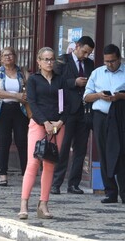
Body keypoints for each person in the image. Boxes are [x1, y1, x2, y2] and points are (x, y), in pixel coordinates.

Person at [19, 47, 66, 220]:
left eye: (51, 59)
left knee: (49, 164)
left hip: (57, 126)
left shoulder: (60, 80)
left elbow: (65, 103)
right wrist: (44, 122)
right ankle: (24, 203)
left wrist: (60, 121)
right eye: (45, 59)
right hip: (39, 124)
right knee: (33, 163)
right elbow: (32, 103)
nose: (49, 62)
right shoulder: (33, 80)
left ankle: (43, 204)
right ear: (38, 61)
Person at [50, 36, 95, 195]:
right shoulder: (63, 60)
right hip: (67, 110)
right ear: (77, 46)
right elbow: (55, 82)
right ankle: (56, 183)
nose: (85, 56)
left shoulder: (90, 64)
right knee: (63, 148)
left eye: (89, 53)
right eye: (84, 52)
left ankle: (73, 184)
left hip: (84, 111)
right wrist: (73, 82)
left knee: (80, 149)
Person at [84, 44, 125, 204]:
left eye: (113, 61)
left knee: (121, 153)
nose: (109, 64)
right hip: (101, 116)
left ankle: (124, 191)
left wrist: (120, 97)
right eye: (106, 61)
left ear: (119, 58)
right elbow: (86, 96)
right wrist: (99, 95)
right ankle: (110, 191)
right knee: (103, 152)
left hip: (120, 116)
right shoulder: (97, 73)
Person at [0, 47, 29, 186]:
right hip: (3, 109)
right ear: (1, 58)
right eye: (5, 55)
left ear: (15, 57)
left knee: (22, 141)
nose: (8, 57)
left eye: (11, 55)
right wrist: (15, 95)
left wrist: (21, 96)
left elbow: (28, 89)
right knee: (4, 141)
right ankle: (3, 174)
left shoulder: (22, 72)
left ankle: (26, 174)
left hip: (20, 110)